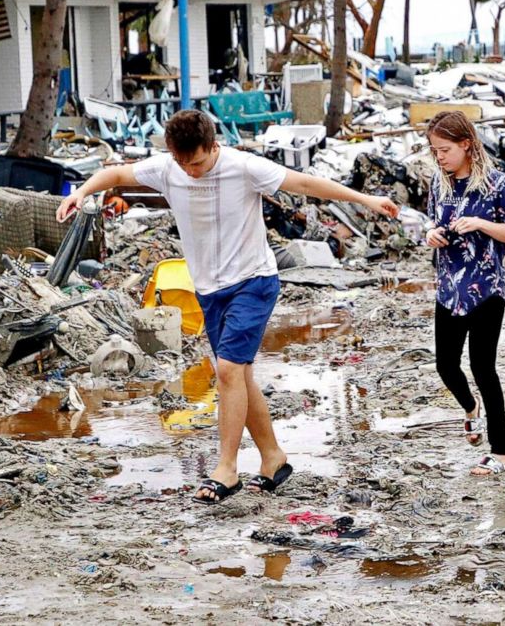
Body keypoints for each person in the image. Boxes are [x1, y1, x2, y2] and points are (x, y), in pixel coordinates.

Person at [57, 109, 398, 503]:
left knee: (229, 370)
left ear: (213, 146)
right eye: (183, 163)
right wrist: (81, 192)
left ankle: (226, 468)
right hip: (208, 289)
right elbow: (115, 174)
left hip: (253, 282)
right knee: (238, 377)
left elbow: (305, 183)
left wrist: (366, 199)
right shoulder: (169, 169)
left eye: (198, 162)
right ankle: (273, 458)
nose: (190, 171)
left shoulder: (243, 166)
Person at [423, 111, 505, 476]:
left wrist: (479, 223)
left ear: (466, 144)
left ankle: (502, 454)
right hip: (449, 288)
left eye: (445, 149)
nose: (440, 157)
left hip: (487, 288)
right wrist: (431, 234)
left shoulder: (497, 184)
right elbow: (431, 222)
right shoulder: (439, 184)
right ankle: (470, 408)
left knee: (484, 368)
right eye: (435, 151)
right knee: (445, 365)